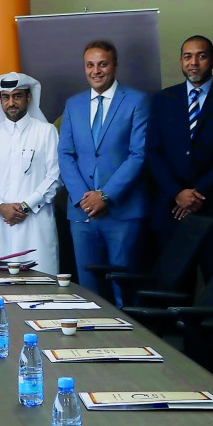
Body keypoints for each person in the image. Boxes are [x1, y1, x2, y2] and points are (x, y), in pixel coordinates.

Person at [146, 36, 213, 280]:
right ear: (181, 62)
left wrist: (196, 194)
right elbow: (153, 152)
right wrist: (177, 193)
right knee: (174, 290)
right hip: (173, 211)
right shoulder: (163, 100)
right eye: (187, 56)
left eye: (201, 56)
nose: (194, 62)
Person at [57, 40, 150, 306]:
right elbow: (65, 154)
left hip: (122, 212)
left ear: (115, 66)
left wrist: (105, 196)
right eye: (90, 65)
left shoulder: (137, 101)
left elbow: (139, 154)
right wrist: (82, 198)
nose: (96, 70)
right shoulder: (73, 105)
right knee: (88, 290)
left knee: (124, 288)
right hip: (82, 212)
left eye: (102, 64)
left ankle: (128, 344)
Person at [0, 72, 61, 273]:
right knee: (0, 287)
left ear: (29, 98)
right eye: (6, 97)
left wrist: (26, 206)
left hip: (36, 223)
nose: (11, 102)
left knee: (40, 287)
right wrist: (0, 207)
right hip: (0, 223)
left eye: (17, 96)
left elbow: (55, 177)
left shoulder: (46, 131)